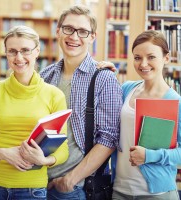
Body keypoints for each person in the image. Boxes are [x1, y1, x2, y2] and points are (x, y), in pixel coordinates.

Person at [40, 5, 123, 199]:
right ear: (58, 31)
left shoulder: (104, 78)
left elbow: (109, 138)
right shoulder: (45, 76)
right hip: (39, 183)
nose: (74, 37)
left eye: (83, 32)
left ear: (92, 37)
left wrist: (70, 180)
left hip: (76, 188)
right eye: (68, 28)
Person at [0, 25, 69, 200]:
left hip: (32, 189)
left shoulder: (54, 95)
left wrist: (44, 161)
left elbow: (62, 149)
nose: (19, 57)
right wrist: (3, 153)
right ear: (6, 53)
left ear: (37, 51)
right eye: (12, 51)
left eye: (25, 50)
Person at [111, 30, 181, 199]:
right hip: (120, 190)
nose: (143, 64)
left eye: (151, 57)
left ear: (166, 58)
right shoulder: (126, 88)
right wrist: (104, 74)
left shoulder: (175, 101)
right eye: (137, 58)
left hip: (156, 194)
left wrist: (150, 156)